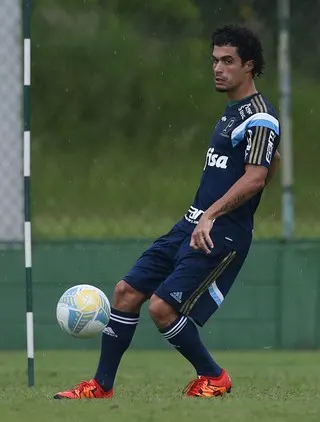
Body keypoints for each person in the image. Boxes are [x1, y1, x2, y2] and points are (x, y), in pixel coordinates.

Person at [54, 24, 281, 399]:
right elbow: (269, 163)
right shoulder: (232, 112)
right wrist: (204, 212)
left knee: (161, 308)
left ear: (249, 66)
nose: (217, 68)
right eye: (214, 60)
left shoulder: (259, 116)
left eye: (227, 61)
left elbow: (256, 178)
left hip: (219, 232)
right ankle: (100, 386)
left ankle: (214, 376)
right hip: (191, 224)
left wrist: (212, 214)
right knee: (126, 292)